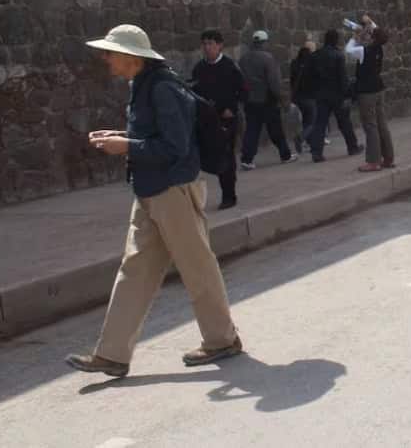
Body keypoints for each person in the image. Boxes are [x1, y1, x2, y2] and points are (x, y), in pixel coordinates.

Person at [66, 25, 242, 378]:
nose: (105, 58)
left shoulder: (161, 88)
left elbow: (175, 148)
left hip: (173, 190)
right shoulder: (143, 84)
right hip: (150, 190)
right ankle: (112, 354)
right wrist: (121, 136)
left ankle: (222, 339)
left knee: (197, 267)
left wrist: (126, 146)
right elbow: (153, 135)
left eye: (110, 52)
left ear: (131, 57)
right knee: (134, 271)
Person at [191, 29, 246, 210]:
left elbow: (243, 90)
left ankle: (229, 195)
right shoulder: (199, 68)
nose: (207, 48)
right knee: (205, 156)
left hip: (226, 120)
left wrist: (231, 108)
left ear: (219, 45)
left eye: (211, 44)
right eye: (204, 44)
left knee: (226, 156)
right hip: (206, 120)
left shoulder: (230, 67)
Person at [238, 30, 297, 169]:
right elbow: (274, 83)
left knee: (252, 130)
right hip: (266, 100)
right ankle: (285, 155)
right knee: (275, 129)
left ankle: (247, 159)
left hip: (250, 100)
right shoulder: (268, 58)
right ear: (265, 42)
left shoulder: (243, 59)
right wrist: (283, 100)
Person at [307, 29, 362, 162]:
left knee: (320, 124)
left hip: (321, 94)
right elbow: (342, 78)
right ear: (336, 40)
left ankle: (317, 152)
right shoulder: (338, 55)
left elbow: (311, 77)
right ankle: (352, 147)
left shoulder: (316, 55)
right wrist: (348, 95)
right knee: (344, 122)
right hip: (337, 94)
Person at [352, 27, 395, 171]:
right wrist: (369, 29)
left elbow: (348, 49)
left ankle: (373, 161)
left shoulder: (364, 51)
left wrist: (356, 36)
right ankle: (388, 158)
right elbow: (380, 32)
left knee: (370, 125)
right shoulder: (379, 50)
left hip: (367, 91)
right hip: (378, 88)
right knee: (382, 124)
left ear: (372, 37)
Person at [289, 41, 317, 154]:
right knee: (313, 122)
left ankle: (309, 143)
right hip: (309, 96)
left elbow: (292, 80)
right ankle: (300, 138)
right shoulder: (312, 64)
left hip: (297, 97)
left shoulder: (294, 63)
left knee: (306, 120)